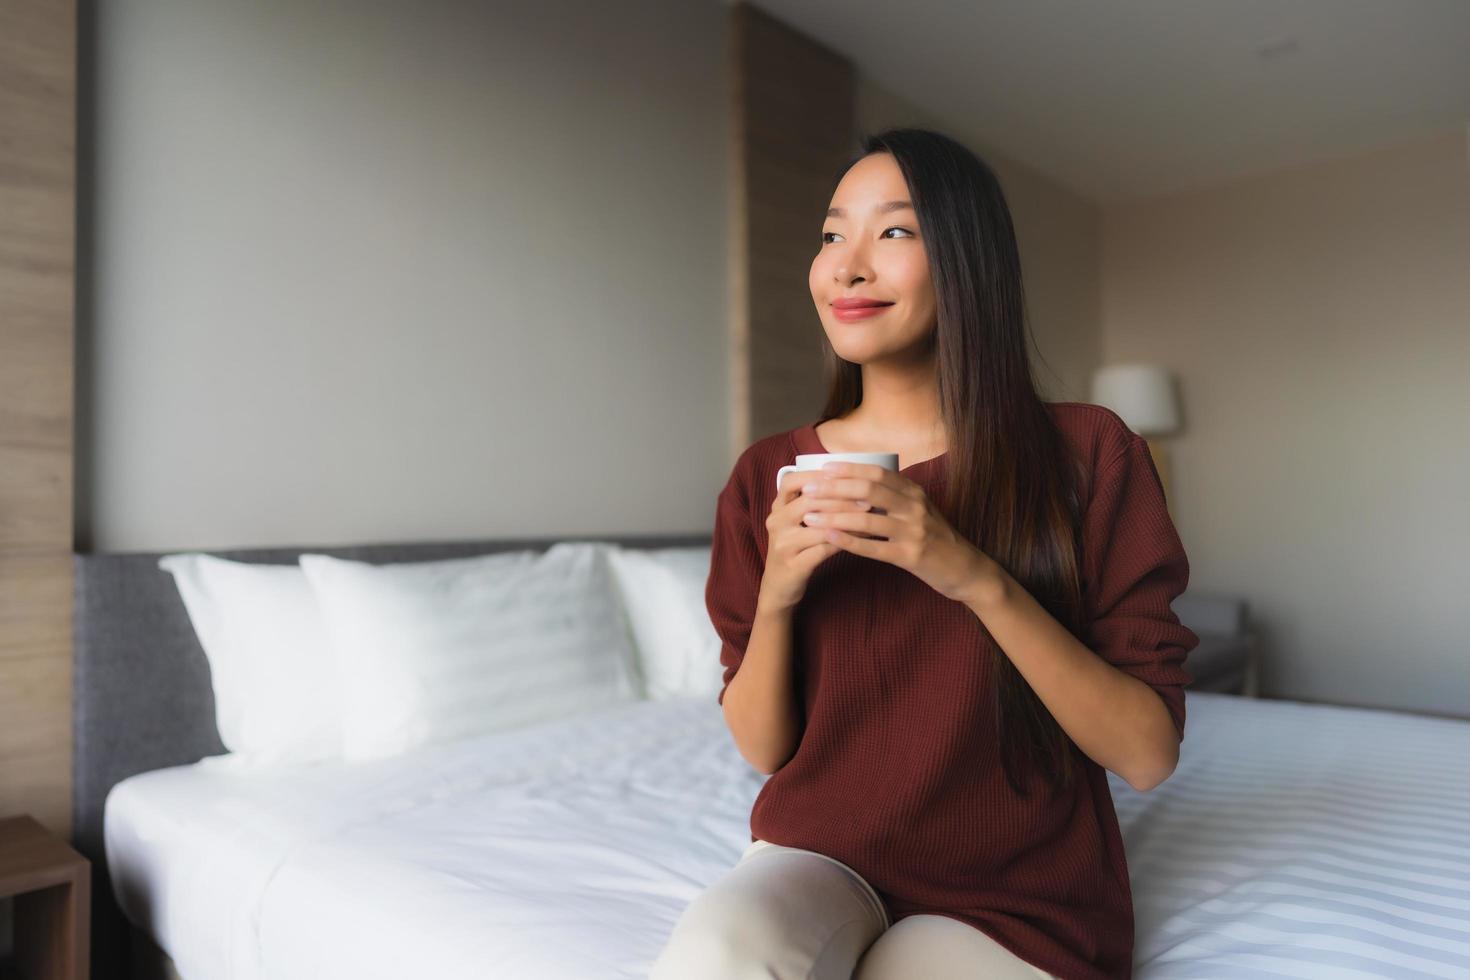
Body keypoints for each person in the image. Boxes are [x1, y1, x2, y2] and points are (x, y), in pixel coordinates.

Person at [651, 127, 1198, 980]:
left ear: (967, 262)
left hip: (1019, 891)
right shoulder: (767, 475)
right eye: (833, 234)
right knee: (717, 953)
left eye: (894, 232)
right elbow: (763, 749)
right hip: (818, 853)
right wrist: (780, 595)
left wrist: (969, 571)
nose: (847, 265)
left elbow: (1147, 752)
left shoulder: (1089, 452)